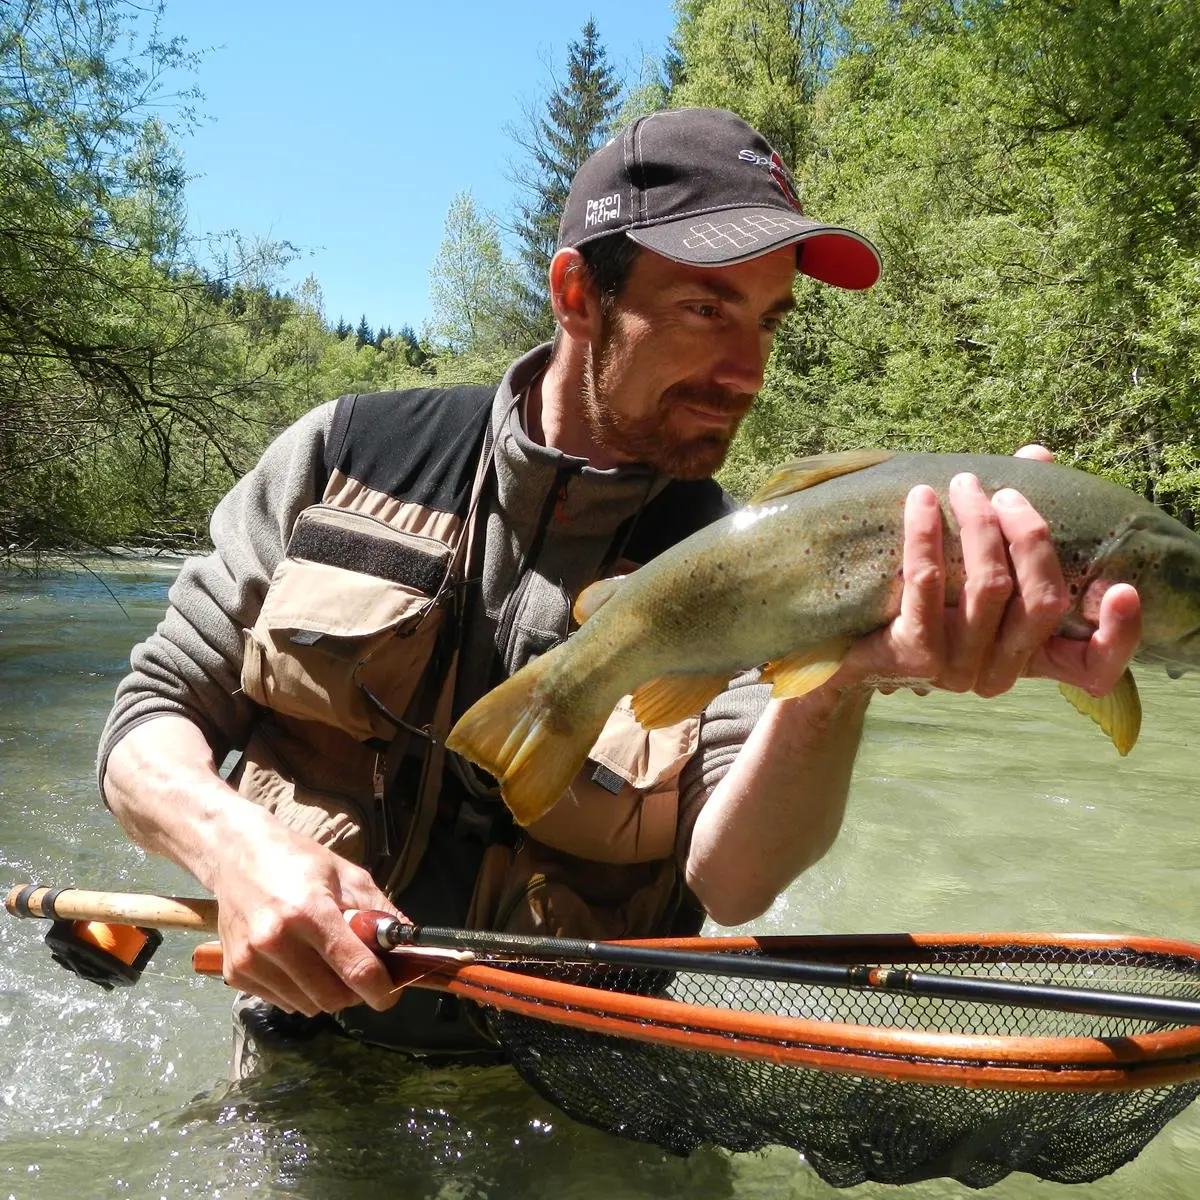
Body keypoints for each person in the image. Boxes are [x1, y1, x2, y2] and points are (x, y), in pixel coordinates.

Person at [98, 107, 1141, 1067]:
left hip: (586, 1093)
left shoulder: (749, 553)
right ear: (575, 296)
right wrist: (236, 851)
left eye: (770, 322)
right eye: (704, 307)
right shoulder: (348, 452)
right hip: (305, 1052)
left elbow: (732, 881)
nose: (747, 369)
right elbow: (149, 723)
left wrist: (839, 677)